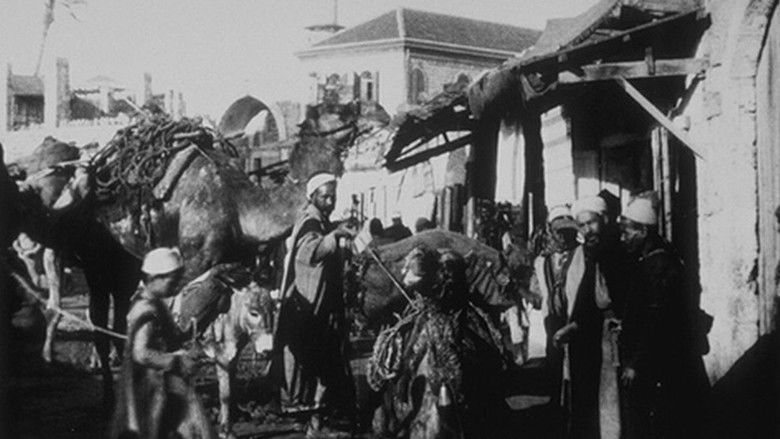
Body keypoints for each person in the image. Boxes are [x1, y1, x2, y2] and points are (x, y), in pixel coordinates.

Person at [618, 196, 708, 438]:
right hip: (657, 362)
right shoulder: (650, 261)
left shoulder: (659, 265)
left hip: (661, 365)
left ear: (643, 231)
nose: (623, 238)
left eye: (627, 232)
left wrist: (636, 363)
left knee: (662, 423)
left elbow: (655, 320)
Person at [275, 172, 357, 435]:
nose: (330, 201)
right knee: (318, 361)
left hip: (320, 304)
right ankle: (315, 421)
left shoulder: (319, 220)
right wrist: (335, 236)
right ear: (312, 197)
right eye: (325, 196)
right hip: (310, 307)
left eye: (333, 196)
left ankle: (317, 421)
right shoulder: (310, 223)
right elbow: (311, 253)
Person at [111, 247, 215, 439]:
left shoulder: (156, 303)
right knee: (154, 427)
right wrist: (176, 360)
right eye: (171, 281)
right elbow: (141, 353)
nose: (175, 287)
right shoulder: (145, 310)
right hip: (149, 384)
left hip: (162, 379)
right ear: (153, 278)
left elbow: (167, 337)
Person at [530, 204, 608, 439]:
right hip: (554, 328)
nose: (564, 237)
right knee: (557, 386)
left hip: (580, 328)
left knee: (582, 386)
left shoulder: (586, 255)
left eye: (568, 232)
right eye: (559, 232)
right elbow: (538, 298)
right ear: (550, 231)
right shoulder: (541, 262)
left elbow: (595, 297)